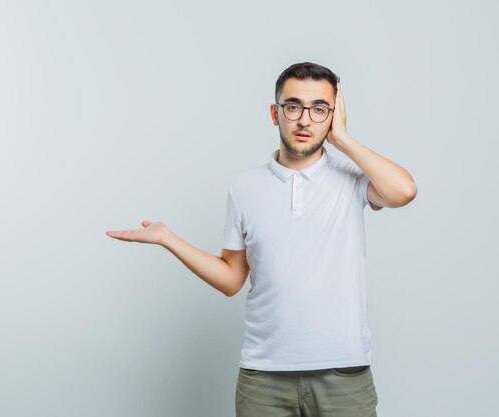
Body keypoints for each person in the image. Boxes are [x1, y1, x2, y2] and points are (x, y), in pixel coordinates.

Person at [105, 61, 417, 417]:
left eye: (320, 109)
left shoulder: (352, 179)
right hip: (264, 378)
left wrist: (342, 139)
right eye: (294, 106)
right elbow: (231, 279)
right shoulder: (244, 187)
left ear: (334, 115)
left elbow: (404, 191)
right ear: (275, 113)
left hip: (344, 373)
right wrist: (167, 238)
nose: (304, 120)